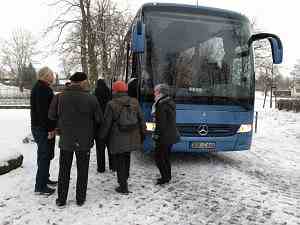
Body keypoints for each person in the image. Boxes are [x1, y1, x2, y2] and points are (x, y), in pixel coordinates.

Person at [49, 72, 103, 207]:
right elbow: (99, 119)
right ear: (83, 82)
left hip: (66, 139)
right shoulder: (91, 98)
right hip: (84, 141)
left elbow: (51, 115)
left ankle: (61, 199)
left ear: (71, 82)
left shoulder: (60, 97)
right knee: (83, 170)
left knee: (64, 170)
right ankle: (80, 198)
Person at [99, 80, 146, 194]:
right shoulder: (134, 102)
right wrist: (143, 133)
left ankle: (123, 186)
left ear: (115, 91)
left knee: (120, 160)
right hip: (133, 135)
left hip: (118, 136)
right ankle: (125, 177)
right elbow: (141, 119)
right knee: (127, 156)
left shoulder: (111, 104)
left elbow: (107, 123)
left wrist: (102, 137)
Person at [30, 66, 57, 196]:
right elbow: (43, 112)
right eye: (51, 74)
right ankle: (40, 187)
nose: (53, 76)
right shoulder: (42, 89)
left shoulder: (42, 87)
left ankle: (44, 179)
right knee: (44, 156)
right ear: (46, 76)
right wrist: (50, 129)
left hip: (41, 127)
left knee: (45, 155)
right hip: (42, 128)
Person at [152, 84, 180, 185]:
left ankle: (164, 178)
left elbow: (161, 124)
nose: (154, 93)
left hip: (164, 136)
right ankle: (167, 176)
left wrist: (156, 136)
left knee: (158, 157)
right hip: (171, 134)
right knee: (166, 157)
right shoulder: (170, 101)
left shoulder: (161, 104)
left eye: (155, 91)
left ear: (160, 92)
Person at [94, 79, 115, 172]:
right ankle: (113, 166)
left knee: (100, 148)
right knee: (111, 147)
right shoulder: (110, 94)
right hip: (109, 124)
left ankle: (101, 167)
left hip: (98, 125)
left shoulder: (94, 94)